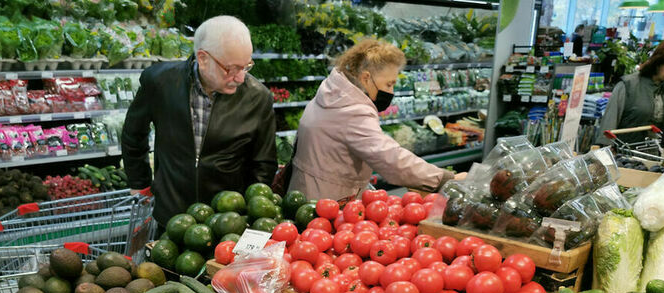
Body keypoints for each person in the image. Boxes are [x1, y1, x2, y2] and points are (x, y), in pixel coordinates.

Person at [122, 16, 277, 227]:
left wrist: (251, 217)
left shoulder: (258, 97)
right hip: (170, 216)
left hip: (226, 222)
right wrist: (139, 182)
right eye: (231, 69)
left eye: (246, 66)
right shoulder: (160, 82)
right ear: (203, 58)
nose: (240, 78)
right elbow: (133, 133)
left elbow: (264, 165)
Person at [287, 39, 459, 202]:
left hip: (304, 191)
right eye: (389, 85)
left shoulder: (333, 92)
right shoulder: (354, 112)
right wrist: (443, 178)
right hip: (326, 202)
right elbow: (390, 159)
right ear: (366, 78)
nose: (391, 92)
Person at [598, 38, 664, 144]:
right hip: (628, 153)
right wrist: (605, 150)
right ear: (659, 62)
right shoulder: (628, 85)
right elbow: (609, 124)